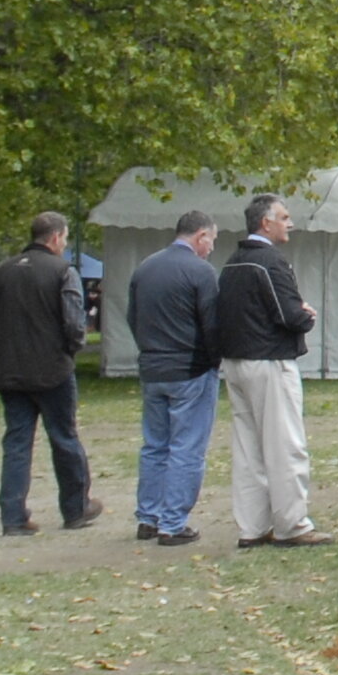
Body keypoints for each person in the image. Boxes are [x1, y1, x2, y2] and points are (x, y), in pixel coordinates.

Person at [218, 191, 328, 549]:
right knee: (285, 445)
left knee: (249, 448)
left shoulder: (233, 262)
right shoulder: (271, 261)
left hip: (235, 361)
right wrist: (307, 314)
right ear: (266, 223)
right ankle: (292, 524)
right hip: (269, 360)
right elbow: (289, 315)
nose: (289, 223)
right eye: (284, 217)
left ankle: (252, 526)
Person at [0, 213, 101, 536]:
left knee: (17, 443)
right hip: (54, 371)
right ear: (56, 238)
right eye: (64, 238)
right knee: (64, 437)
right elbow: (74, 324)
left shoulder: (1, 272)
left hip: (11, 371)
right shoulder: (63, 272)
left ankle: (13, 516)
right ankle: (76, 507)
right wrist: (70, 350)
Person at [125, 209, 223, 546]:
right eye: (211, 240)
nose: (211, 247)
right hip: (190, 370)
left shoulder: (145, 267)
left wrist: (149, 351)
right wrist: (214, 361)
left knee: (154, 446)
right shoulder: (201, 272)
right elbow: (211, 325)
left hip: (153, 369)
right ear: (201, 236)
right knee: (187, 448)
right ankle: (173, 523)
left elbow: (133, 317)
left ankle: (147, 517)